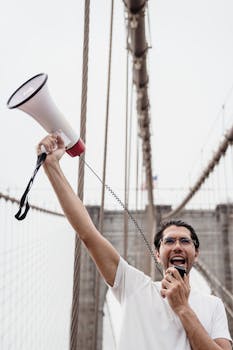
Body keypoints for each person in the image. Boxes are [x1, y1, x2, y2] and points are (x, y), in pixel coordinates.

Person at [38, 133, 232, 350]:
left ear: (196, 253)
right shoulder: (135, 287)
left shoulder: (213, 306)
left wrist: (183, 308)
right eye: (169, 241)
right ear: (157, 253)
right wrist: (51, 166)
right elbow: (88, 235)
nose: (177, 246)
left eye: (185, 241)